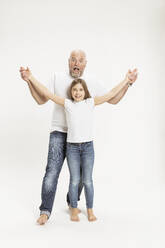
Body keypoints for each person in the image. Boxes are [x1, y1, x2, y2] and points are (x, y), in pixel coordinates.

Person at [20, 49, 138, 225]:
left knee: (82, 178)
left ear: (85, 63)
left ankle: (72, 201)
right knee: (52, 172)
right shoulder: (57, 77)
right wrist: (29, 79)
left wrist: (127, 82)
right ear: (69, 62)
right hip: (59, 133)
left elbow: (112, 98)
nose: (76, 63)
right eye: (73, 59)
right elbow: (41, 98)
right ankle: (45, 210)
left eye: (80, 60)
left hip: (81, 140)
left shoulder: (91, 82)